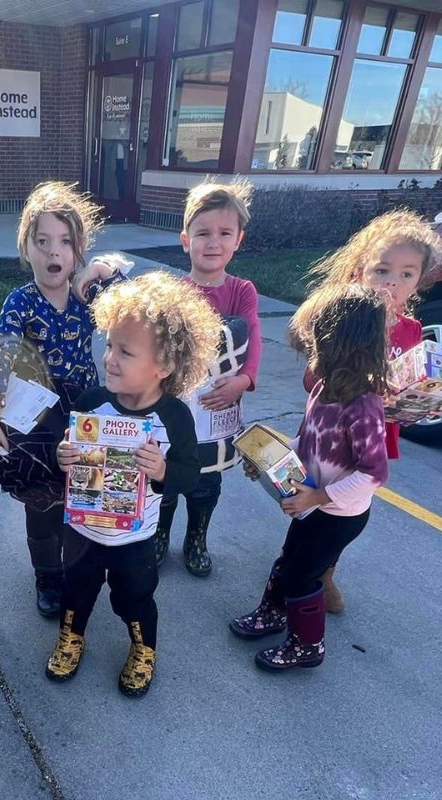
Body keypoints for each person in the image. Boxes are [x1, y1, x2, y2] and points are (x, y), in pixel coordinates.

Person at [49, 271, 221, 697]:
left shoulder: (175, 417)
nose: (109, 358)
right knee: (76, 589)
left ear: (163, 366)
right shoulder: (92, 402)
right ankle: (72, 635)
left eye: (125, 351)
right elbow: (68, 452)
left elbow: (190, 473)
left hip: (137, 536)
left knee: (135, 596)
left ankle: (144, 647)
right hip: (85, 528)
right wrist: (63, 455)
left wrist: (162, 470)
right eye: (109, 345)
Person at [0, 181, 126, 618]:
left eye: (65, 243)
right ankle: (47, 575)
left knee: (85, 489)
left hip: (85, 411)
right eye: (42, 242)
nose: (53, 253)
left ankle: (80, 565)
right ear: (27, 248)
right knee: (42, 499)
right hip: (35, 417)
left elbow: (130, 304)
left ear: (78, 250)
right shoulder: (20, 301)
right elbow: (1, 356)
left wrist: (101, 270)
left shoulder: (87, 296)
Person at [290, 209, 442, 611]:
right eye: (382, 270)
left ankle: (323, 571)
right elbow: (315, 380)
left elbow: (410, 384)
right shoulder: (345, 317)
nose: (393, 282)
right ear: (361, 270)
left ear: (418, 280)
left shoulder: (410, 330)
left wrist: (417, 403)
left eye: (407, 274)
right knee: (315, 501)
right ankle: (305, 564)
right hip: (333, 430)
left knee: (348, 506)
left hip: (373, 432)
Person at [230, 284, 390, 671]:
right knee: (289, 561)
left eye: (318, 338)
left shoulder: (364, 405)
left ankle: (308, 645)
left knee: (305, 576)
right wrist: (270, 463)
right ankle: (272, 613)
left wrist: (316, 498)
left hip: (339, 515)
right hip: (312, 503)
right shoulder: (324, 387)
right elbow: (308, 439)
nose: (310, 347)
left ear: (342, 343)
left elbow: (374, 473)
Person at [153, 182, 262, 577]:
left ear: (238, 240)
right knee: (166, 475)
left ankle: (196, 538)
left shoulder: (241, 292)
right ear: (186, 241)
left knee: (206, 483)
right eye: (202, 233)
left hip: (219, 403)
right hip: (178, 406)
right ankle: (159, 535)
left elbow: (252, 339)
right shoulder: (174, 293)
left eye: (224, 233)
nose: (213, 242)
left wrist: (245, 380)